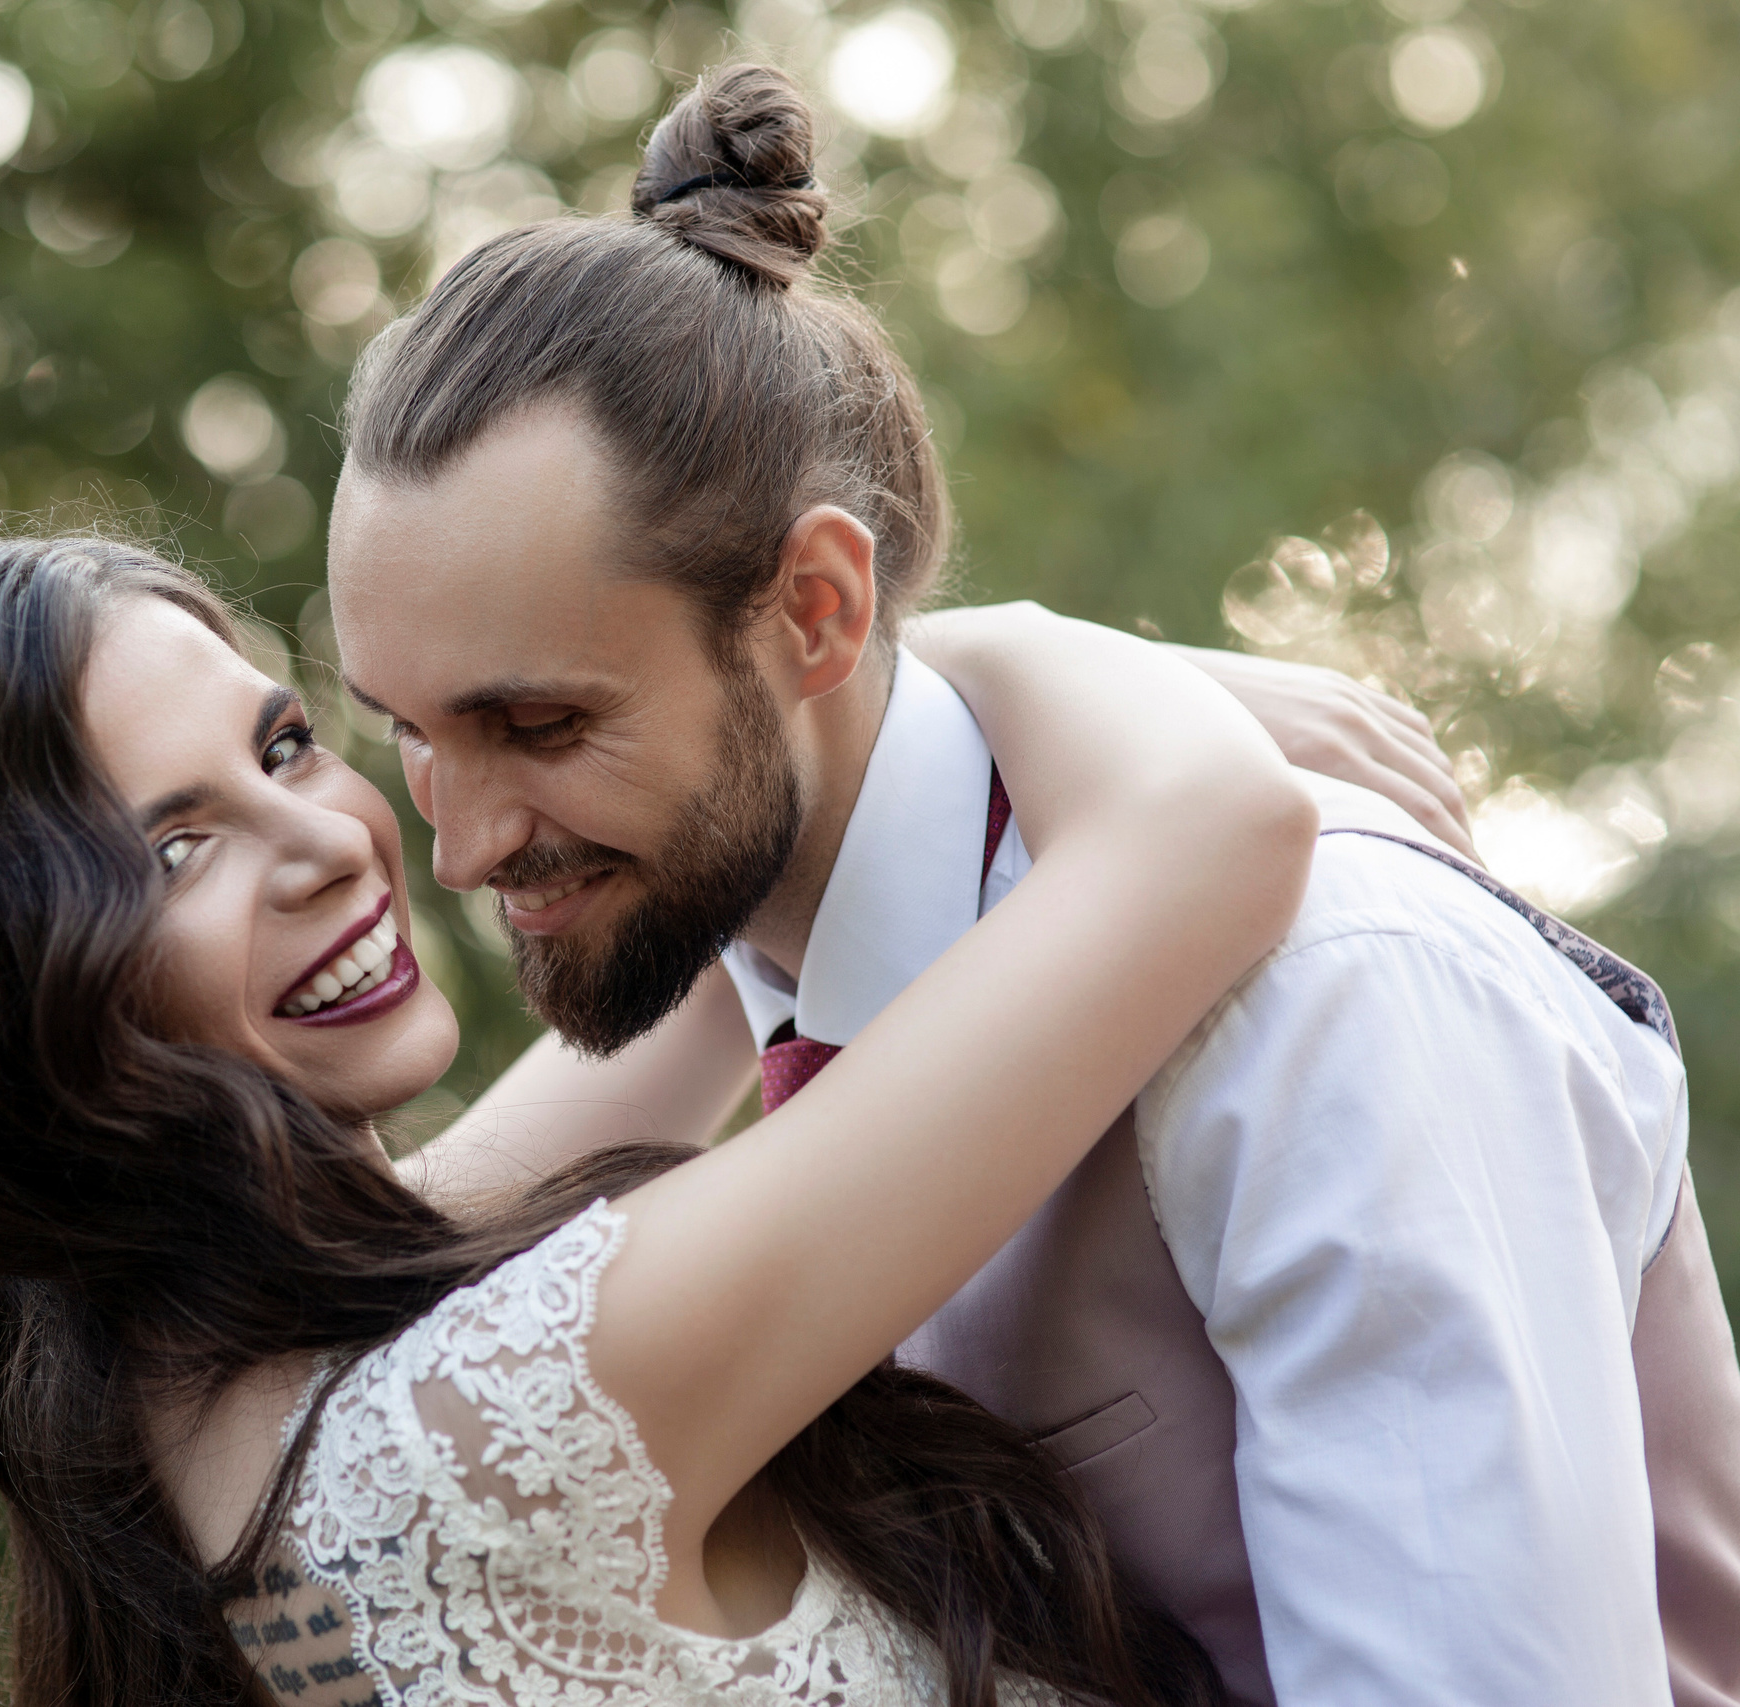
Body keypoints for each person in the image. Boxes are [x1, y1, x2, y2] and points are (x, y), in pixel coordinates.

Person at [323, 62, 1740, 1707]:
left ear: (818, 615)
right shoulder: (771, 999)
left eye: (543, 724)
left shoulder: (1330, 987)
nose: (464, 845)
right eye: (413, 735)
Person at [0, 529, 1355, 1706]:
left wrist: (826, 645)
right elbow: (1207, 832)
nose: (337, 839)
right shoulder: (499, 1430)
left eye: (286, 743)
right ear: (5, 1010)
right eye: (174, 848)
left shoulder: (218, 1423)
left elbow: (713, 896)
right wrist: (972, 651)